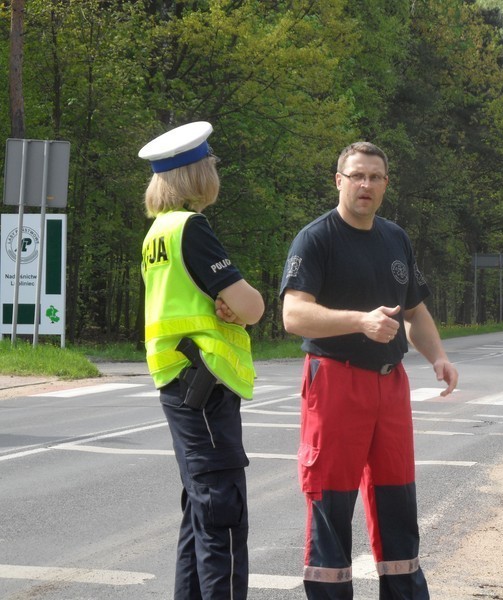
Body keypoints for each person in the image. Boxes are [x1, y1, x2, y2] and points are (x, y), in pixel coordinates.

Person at [280, 141, 458, 600]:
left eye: (375, 177)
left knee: (397, 499)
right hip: (335, 380)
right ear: (339, 180)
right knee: (331, 502)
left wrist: (437, 357)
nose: (366, 185)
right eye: (357, 176)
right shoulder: (316, 238)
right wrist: (359, 321)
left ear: (385, 185)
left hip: (390, 385)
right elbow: (293, 315)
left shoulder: (395, 237)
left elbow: (415, 312)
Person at [139, 121, 265, 599]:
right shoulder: (191, 228)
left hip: (179, 381)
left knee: (199, 512)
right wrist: (241, 305)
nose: (216, 172)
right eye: (211, 164)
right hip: (204, 385)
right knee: (222, 517)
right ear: (196, 174)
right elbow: (251, 307)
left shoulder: (156, 234)